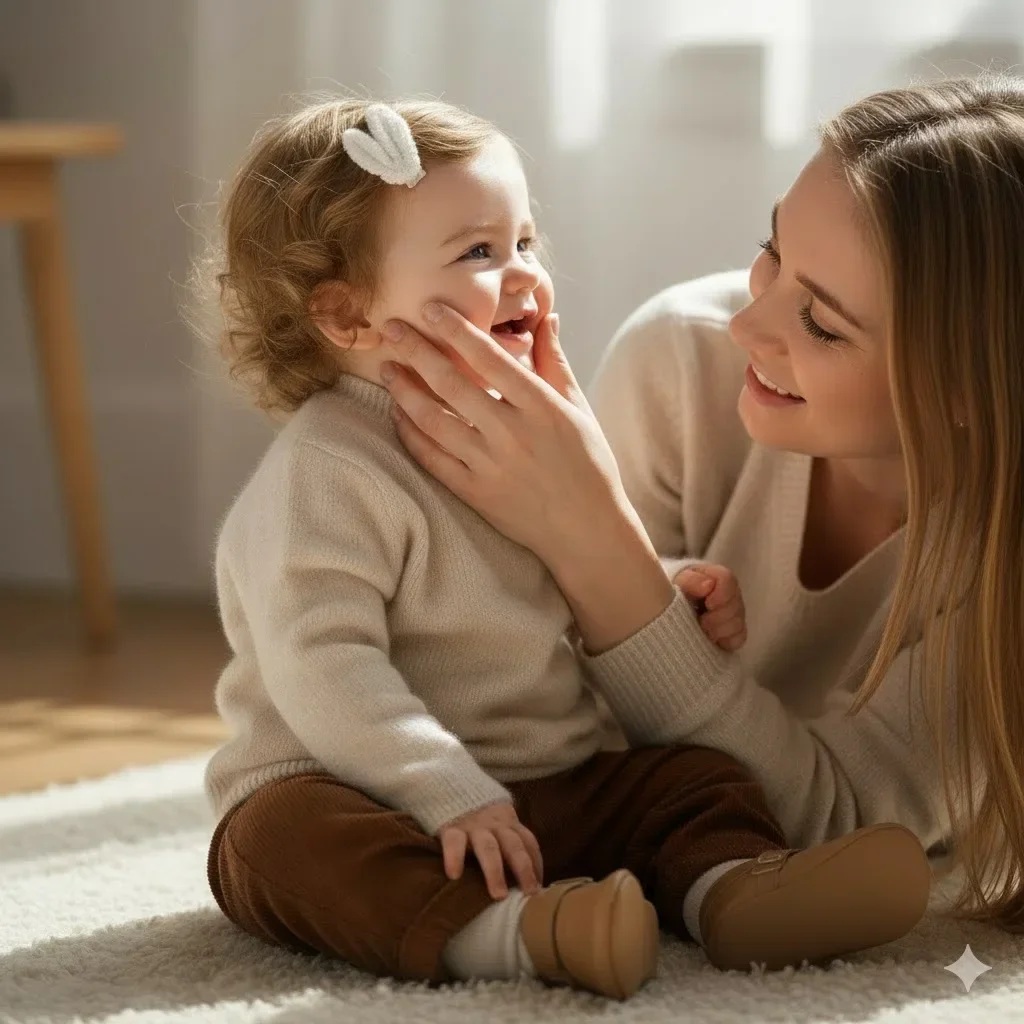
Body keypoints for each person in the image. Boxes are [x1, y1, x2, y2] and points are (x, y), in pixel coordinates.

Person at [199, 96, 932, 1001]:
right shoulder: (325, 471)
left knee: (690, 780)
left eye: (525, 243)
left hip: (548, 780)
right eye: (478, 253)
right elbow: (322, 665)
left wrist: (668, 589)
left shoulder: (508, 428)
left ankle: (735, 891)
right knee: (281, 843)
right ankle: (512, 933)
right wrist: (443, 787)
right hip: (374, 790)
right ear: (347, 316)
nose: (524, 278)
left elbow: (551, 579)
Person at [377, 74, 1024, 933]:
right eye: (774, 251)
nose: (748, 328)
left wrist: (597, 544)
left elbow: (846, 826)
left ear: (970, 389)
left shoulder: (1003, 551)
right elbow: (553, 733)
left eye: (823, 325)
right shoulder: (680, 357)